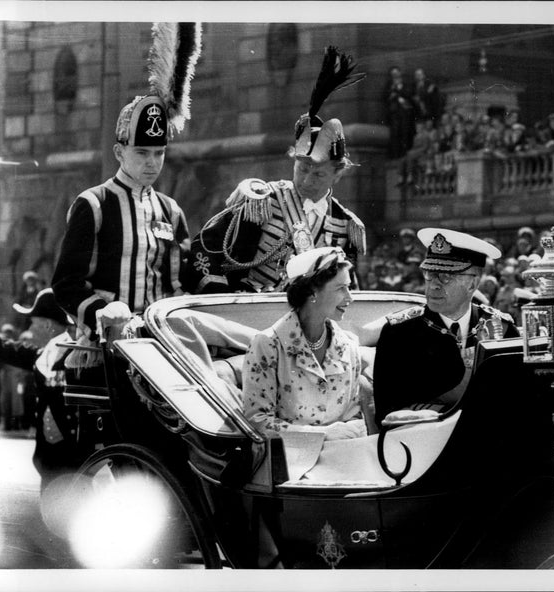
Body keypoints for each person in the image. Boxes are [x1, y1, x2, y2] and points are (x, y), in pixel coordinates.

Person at [51, 23, 199, 368]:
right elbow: (66, 284)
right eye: (142, 153)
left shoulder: (172, 210)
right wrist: (105, 314)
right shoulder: (93, 204)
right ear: (119, 153)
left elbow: (180, 284)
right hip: (104, 352)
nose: (152, 163)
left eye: (159, 153)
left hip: (161, 349)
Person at [183, 46, 367, 295]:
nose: (306, 180)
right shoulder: (261, 202)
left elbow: (347, 289)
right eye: (302, 169)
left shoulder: (346, 225)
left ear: (338, 173)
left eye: (319, 174)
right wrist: (222, 296)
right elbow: (205, 249)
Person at [372, 228, 519, 424]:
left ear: (472, 284)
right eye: (429, 274)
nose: (433, 285)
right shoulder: (400, 332)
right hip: (423, 445)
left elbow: (519, 399)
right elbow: (386, 411)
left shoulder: (501, 327)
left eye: (445, 277)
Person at [241, 247, 366, 440]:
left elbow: (354, 415)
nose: (350, 297)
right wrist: (322, 435)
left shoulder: (349, 345)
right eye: (341, 288)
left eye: (349, 287)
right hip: (287, 463)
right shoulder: (267, 345)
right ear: (312, 293)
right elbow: (257, 420)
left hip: (343, 457)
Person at [0, 289, 93, 491]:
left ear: (47, 325)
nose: (30, 328)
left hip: (74, 458)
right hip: (46, 457)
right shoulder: (43, 354)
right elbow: (6, 348)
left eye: (34, 322)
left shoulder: (80, 357)